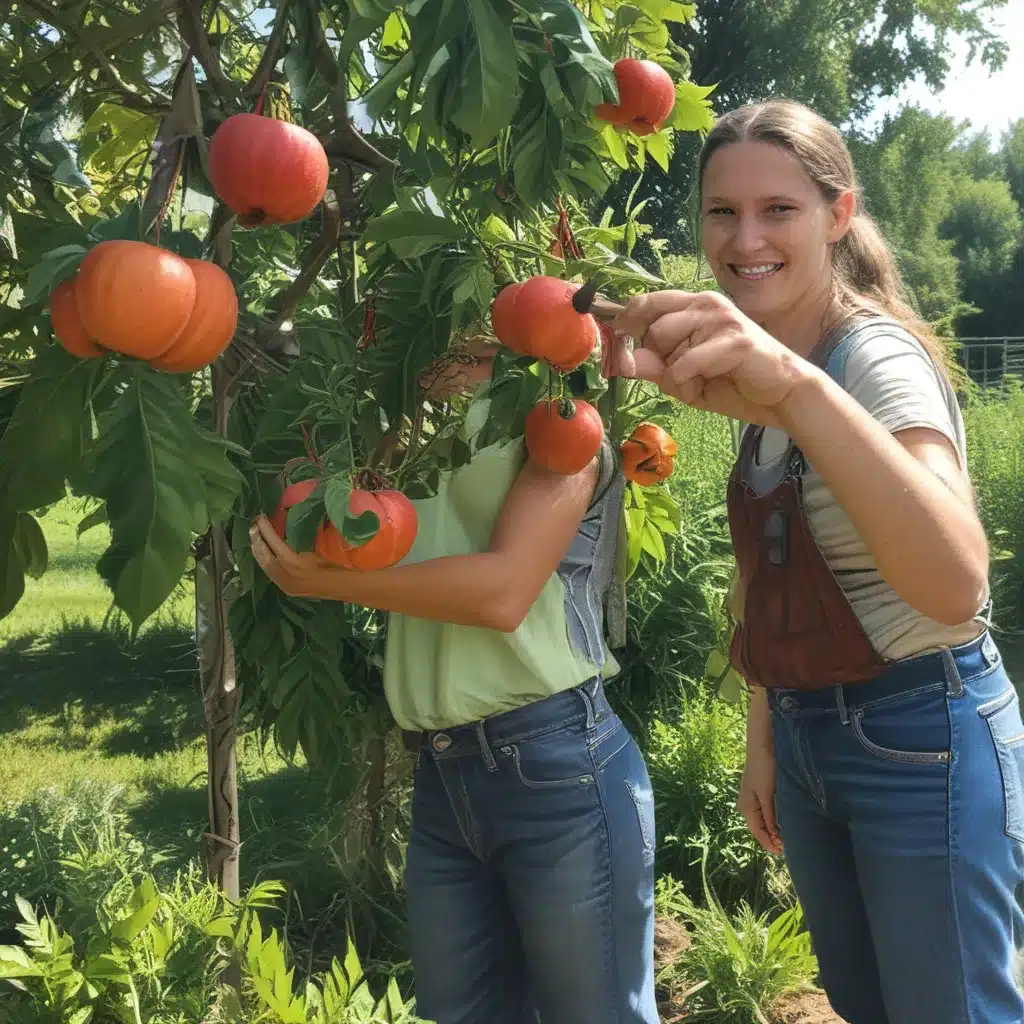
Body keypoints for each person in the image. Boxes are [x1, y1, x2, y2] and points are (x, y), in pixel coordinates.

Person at [608, 98, 1024, 1024]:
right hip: (814, 734)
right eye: (722, 211)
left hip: (923, 734)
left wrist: (797, 392)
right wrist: (769, 739)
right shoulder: (775, 362)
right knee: (867, 1005)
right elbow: (771, 571)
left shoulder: (870, 361)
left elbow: (958, 584)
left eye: (778, 209)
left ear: (839, 216)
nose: (743, 237)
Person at [248, 335, 659, 1024]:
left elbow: (504, 594)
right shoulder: (394, 395)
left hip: (556, 765)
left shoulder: (558, 409)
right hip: (442, 772)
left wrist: (338, 584)